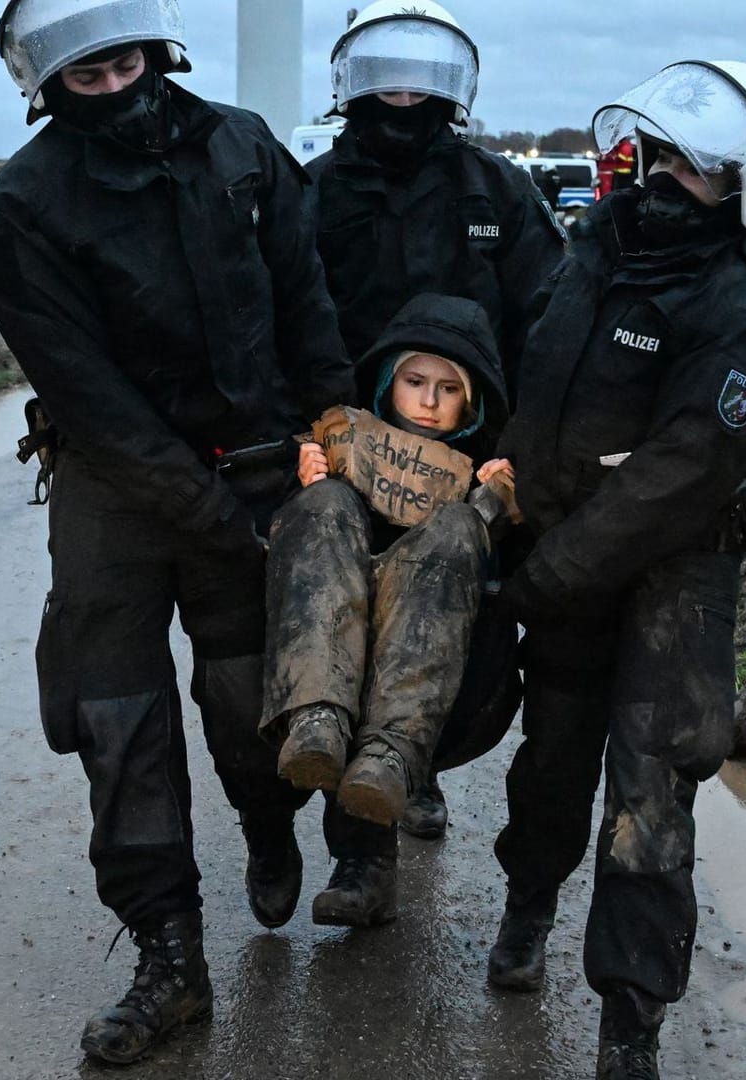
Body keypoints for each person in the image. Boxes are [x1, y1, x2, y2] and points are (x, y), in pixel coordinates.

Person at [0, 0, 352, 1066]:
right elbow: (85, 391)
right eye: (83, 78)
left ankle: (271, 826)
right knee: (117, 717)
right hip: (116, 489)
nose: (111, 87)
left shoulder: (243, 146)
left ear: (156, 50)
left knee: (244, 694)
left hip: (262, 462)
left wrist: (334, 436)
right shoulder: (22, 208)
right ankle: (170, 957)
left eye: (123, 64)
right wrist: (201, 505)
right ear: (47, 86)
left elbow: (303, 297)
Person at [480, 61, 746, 1080]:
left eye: (699, 168)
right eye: (661, 154)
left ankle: (630, 1023)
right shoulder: (596, 250)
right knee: (552, 758)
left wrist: (545, 577)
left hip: (677, 572)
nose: (669, 178)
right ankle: (527, 908)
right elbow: (536, 389)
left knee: (651, 790)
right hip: (563, 552)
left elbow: (678, 476)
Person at [303, 0, 566, 858]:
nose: (403, 92)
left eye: (423, 76)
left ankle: (419, 770)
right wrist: (313, 429)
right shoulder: (319, 192)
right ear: (352, 81)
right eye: (387, 73)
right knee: (346, 620)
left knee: (450, 624)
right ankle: (358, 858)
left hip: (466, 458)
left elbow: (547, 322)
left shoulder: (498, 189)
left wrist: (521, 451)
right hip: (352, 449)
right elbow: (287, 312)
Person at [261, 294, 515, 926]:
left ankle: (392, 757)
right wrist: (304, 478)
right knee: (323, 509)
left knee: (456, 526)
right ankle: (318, 722)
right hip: (325, 661)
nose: (428, 401)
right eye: (414, 380)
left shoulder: (485, 469)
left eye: (448, 388)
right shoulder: (342, 441)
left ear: (472, 401)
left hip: (437, 684)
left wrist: (499, 509)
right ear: (387, 383)